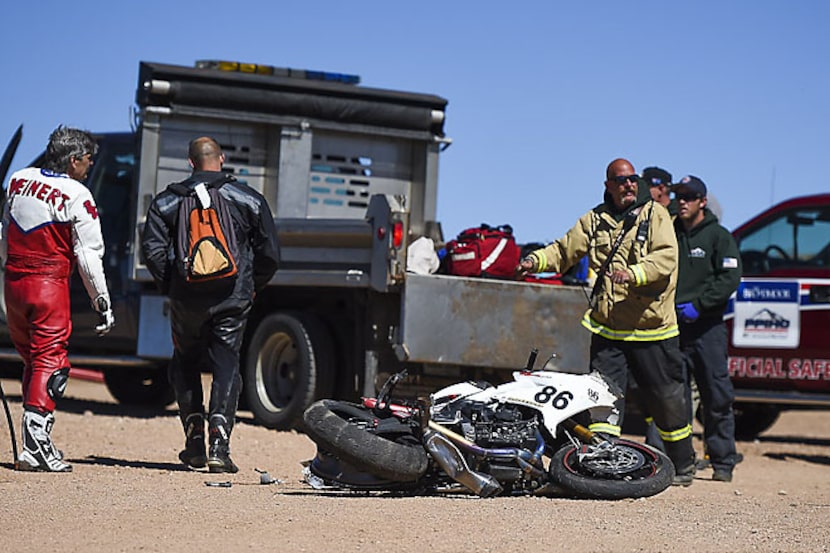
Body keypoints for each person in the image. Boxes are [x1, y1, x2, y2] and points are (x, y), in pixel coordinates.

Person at [517, 158, 696, 485]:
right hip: (608, 328)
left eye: (632, 179)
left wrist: (634, 274)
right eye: (620, 180)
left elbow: (665, 258)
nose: (628, 185)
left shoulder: (655, 214)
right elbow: (564, 250)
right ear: (608, 186)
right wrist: (534, 260)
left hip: (652, 329)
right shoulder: (594, 220)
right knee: (603, 401)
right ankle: (607, 460)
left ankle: (683, 465)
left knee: (666, 402)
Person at [141, 136, 279, 473]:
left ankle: (194, 441)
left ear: (190, 163)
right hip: (233, 297)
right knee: (227, 363)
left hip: (186, 300)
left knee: (185, 361)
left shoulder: (167, 202)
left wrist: (173, 285)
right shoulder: (248, 198)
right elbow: (270, 255)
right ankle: (220, 445)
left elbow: (153, 252)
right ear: (222, 158)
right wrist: (250, 286)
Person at [0, 126, 115, 472]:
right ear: (74, 160)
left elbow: (4, 231)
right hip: (48, 285)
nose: (91, 164)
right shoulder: (77, 194)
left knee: (33, 361)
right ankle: (35, 447)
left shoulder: (19, 180)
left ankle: (34, 443)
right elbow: (88, 255)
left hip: (14, 282)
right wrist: (102, 301)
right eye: (88, 159)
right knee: (52, 363)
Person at [673, 175, 742, 482]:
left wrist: (699, 305)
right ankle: (679, 462)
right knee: (674, 397)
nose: (682, 201)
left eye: (689, 196)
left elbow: (729, 278)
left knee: (716, 394)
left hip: (707, 327)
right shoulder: (670, 233)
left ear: (702, 201)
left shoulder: (718, 236)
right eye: (679, 196)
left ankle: (723, 460)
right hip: (673, 328)